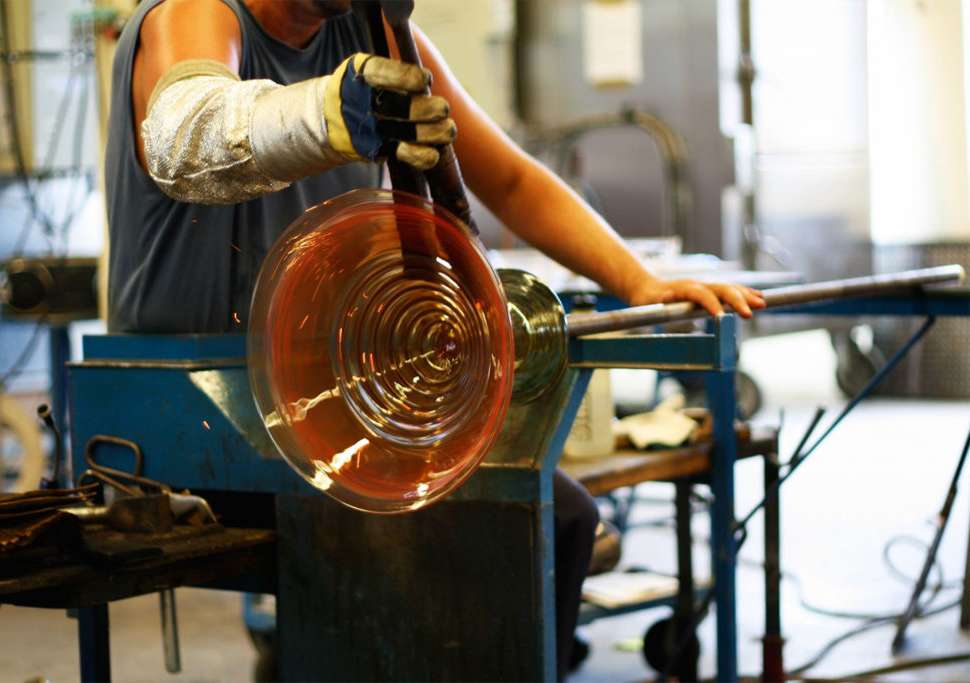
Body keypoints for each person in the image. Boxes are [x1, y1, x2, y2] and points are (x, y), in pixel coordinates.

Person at [103, 1, 766, 680]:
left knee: (558, 519)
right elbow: (189, 133)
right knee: (476, 534)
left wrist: (638, 280)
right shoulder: (197, 12)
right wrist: (326, 114)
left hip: (327, 401)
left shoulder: (375, 33)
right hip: (182, 409)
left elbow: (509, 178)